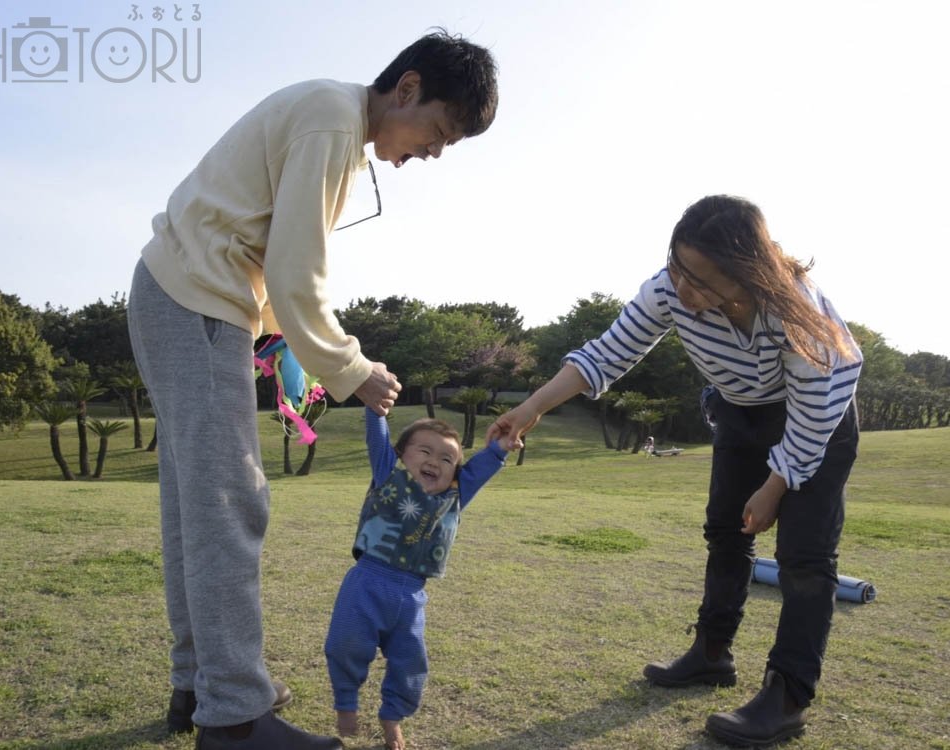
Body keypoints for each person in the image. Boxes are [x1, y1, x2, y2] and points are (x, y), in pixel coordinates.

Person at [127, 29, 498, 750]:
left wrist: (283, 342)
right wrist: (354, 370)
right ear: (408, 88)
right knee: (231, 501)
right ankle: (234, 715)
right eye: (439, 133)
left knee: (194, 506)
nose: (432, 152)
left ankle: (201, 684)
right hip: (199, 298)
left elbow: (278, 261)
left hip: (177, 292)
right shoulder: (333, 120)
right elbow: (299, 273)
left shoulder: (331, 120)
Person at [486, 195, 862, 748]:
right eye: (678, 268)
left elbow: (815, 409)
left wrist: (776, 483)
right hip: (740, 411)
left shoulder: (795, 312)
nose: (683, 290)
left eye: (701, 280)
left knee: (804, 559)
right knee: (725, 532)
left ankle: (787, 696)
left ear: (746, 273)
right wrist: (532, 408)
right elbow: (607, 353)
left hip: (817, 420)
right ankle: (711, 654)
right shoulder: (668, 289)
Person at [325, 410, 509, 750]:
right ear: (400, 455)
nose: (434, 462)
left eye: (446, 458)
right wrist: (375, 407)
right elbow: (376, 435)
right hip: (366, 583)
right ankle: (346, 704)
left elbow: (480, 470)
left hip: (411, 596)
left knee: (411, 663)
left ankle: (392, 717)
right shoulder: (387, 474)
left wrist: (500, 448)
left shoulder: (451, 499)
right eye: (424, 451)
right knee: (346, 645)